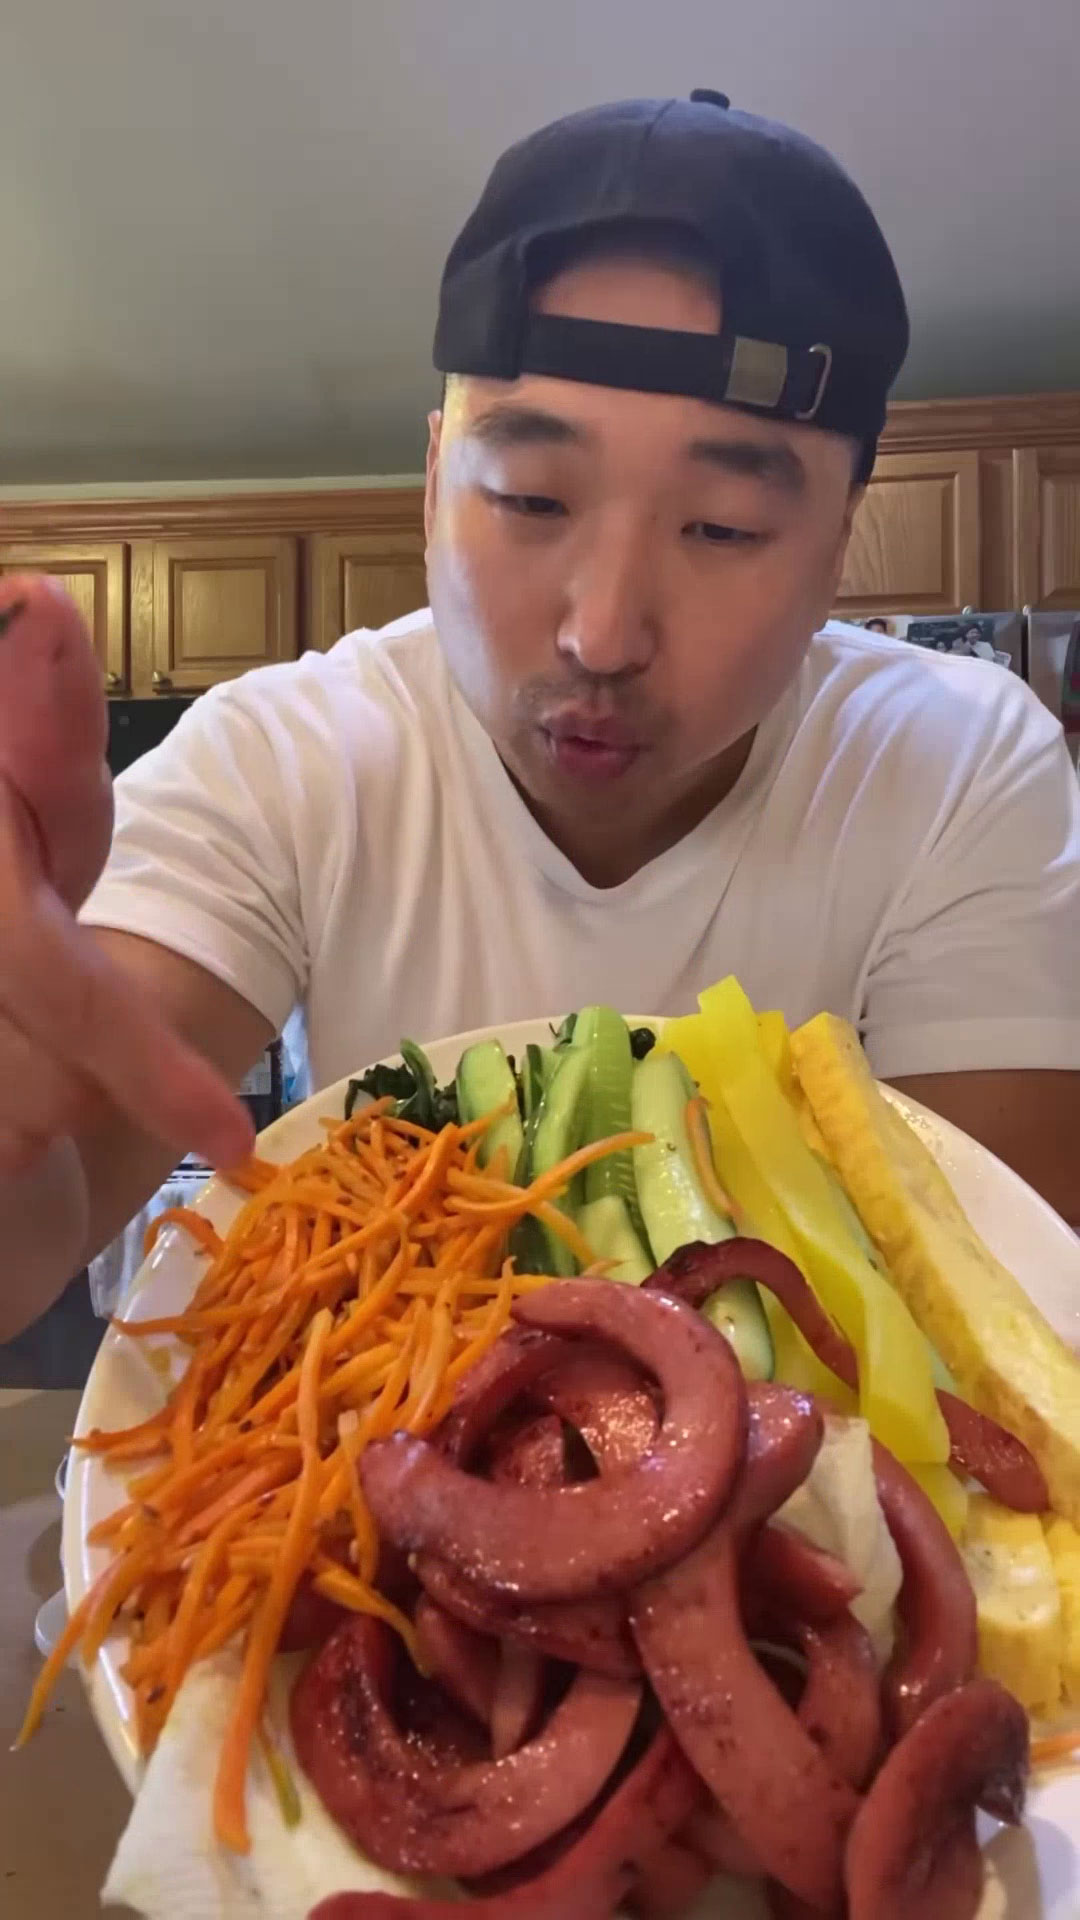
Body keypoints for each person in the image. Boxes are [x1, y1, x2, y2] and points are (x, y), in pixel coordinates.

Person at [1, 91, 1078, 1340]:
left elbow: (1000, 1331)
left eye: (722, 528)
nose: (602, 635)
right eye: (527, 499)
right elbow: (41, 1211)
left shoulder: (955, 769)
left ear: (840, 542)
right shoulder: (285, 761)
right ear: (430, 484)